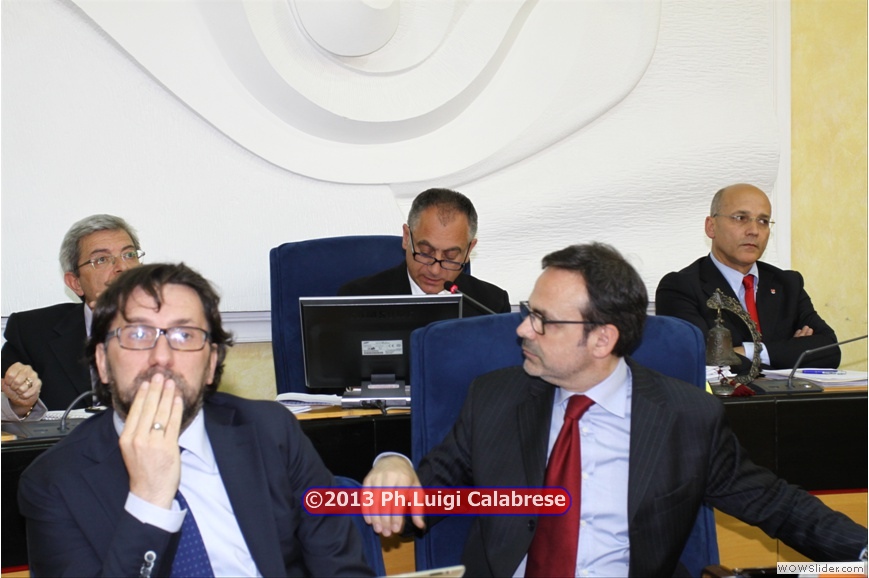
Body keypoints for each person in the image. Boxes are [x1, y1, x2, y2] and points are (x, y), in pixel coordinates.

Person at [363, 243, 866, 577]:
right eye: (527, 313)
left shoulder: (685, 418)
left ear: (603, 339)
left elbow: (778, 506)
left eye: (541, 321)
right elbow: (416, 506)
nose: (521, 330)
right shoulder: (494, 398)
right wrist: (393, 466)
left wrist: (862, 552)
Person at [18, 263, 375, 577]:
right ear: (102, 362)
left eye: (184, 335)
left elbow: (341, 567)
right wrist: (149, 500)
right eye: (138, 334)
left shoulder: (272, 431)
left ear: (211, 362)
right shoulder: (53, 484)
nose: (162, 357)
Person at [656, 183, 839, 371]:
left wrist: (746, 351)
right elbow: (701, 359)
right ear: (711, 227)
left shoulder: (787, 284)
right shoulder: (680, 287)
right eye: (741, 218)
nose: (754, 230)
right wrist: (789, 351)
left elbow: (829, 350)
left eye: (763, 221)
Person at [2, 214, 145, 421]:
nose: (122, 267)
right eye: (102, 259)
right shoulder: (31, 332)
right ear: (75, 283)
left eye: (129, 254)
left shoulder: (173, 327)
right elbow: (6, 406)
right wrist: (19, 404)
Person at [339, 188, 511, 316]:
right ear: (407, 238)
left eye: (450, 256)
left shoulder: (491, 306)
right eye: (426, 253)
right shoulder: (356, 300)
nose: (435, 270)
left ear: (469, 250)